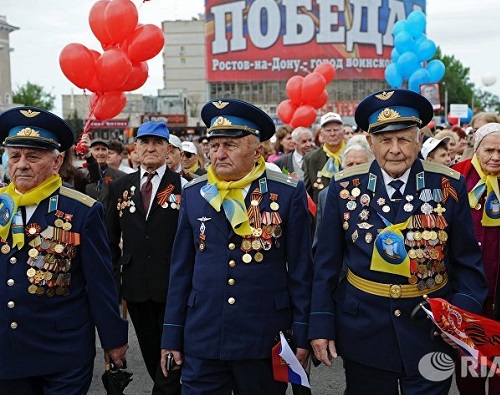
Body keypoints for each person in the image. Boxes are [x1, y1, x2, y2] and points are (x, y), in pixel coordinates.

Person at [309, 89, 487, 394]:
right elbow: (325, 265)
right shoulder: (343, 188)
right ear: (370, 143)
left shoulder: (448, 185)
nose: (394, 149)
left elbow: (467, 263)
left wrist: (459, 315)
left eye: (404, 139)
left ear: (419, 140)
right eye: (384, 140)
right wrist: (321, 324)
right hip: (363, 328)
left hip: (430, 328)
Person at [160, 99, 313, 395]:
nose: (219, 154)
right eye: (214, 145)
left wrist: (303, 335)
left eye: (229, 145)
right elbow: (180, 271)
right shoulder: (194, 194)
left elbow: (301, 272)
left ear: (257, 151)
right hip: (203, 336)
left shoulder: (287, 193)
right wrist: (171, 336)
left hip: (263, 337)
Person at [0, 106, 128, 393]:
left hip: (62, 353)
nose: (22, 164)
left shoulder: (82, 211)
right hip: (6, 353)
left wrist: (113, 340)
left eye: (33, 157)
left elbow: (100, 283)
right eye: (15, 156)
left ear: (56, 162)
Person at [452, 123, 500, 394]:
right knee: (469, 366)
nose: (496, 157)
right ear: (477, 148)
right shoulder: (456, 177)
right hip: (465, 289)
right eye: (489, 150)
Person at [105, 121, 183, 394]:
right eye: (145, 143)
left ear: (168, 149)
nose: (150, 148)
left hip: (173, 286)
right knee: (152, 354)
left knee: (172, 353)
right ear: (135, 148)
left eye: (158, 143)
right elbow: (109, 242)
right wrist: (115, 286)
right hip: (136, 287)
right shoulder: (119, 188)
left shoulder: (184, 187)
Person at [304, 112, 345, 202]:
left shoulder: (353, 154)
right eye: (328, 130)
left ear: (343, 132)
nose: (332, 134)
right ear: (321, 133)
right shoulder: (311, 158)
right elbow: (308, 193)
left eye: (336, 130)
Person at [83, 137, 126, 203]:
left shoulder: (121, 176)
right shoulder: (82, 174)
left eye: (103, 149)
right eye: (97, 149)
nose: (100, 153)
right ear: (90, 152)